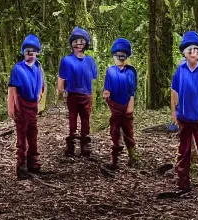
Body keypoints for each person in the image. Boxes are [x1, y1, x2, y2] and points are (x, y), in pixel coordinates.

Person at [169, 31, 198, 199]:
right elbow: (174, 92)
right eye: (189, 49)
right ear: (184, 52)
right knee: (184, 152)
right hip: (183, 118)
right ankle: (183, 184)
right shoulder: (180, 70)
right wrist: (174, 113)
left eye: (196, 49)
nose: (193, 52)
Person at [8, 33, 45, 179]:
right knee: (21, 137)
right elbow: (13, 90)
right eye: (27, 50)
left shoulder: (37, 69)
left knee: (33, 135)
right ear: (23, 52)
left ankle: (33, 164)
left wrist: (38, 101)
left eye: (33, 50)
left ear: (37, 52)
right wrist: (14, 107)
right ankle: (20, 166)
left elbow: (40, 87)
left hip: (32, 106)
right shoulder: (18, 69)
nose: (30, 52)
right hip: (21, 105)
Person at [57, 26, 98, 158]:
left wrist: (94, 94)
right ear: (72, 43)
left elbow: (94, 78)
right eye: (76, 41)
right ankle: (71, 145)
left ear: (86, 43)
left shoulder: (90, 61)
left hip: (86, 94)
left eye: (81, 41)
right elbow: (61, 77)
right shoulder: (66, 60)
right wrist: (61, 90)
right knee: (73, 118)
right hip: (72, 94)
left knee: (85, 119)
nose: (79, 43)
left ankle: (85, 144)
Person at [102, 37, 138, 169]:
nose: (120, 58)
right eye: (118, 56)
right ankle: (114, 160)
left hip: (126, 105)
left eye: (123, 56)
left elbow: (132, 90)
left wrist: (131, 105)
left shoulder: (131, 71)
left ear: (127, 56)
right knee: (114, 132)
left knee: (128, 131)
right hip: (115, 107)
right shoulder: (110, 71)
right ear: (114, 56)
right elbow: (107, 89)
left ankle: (132, 156)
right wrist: (106, 96)